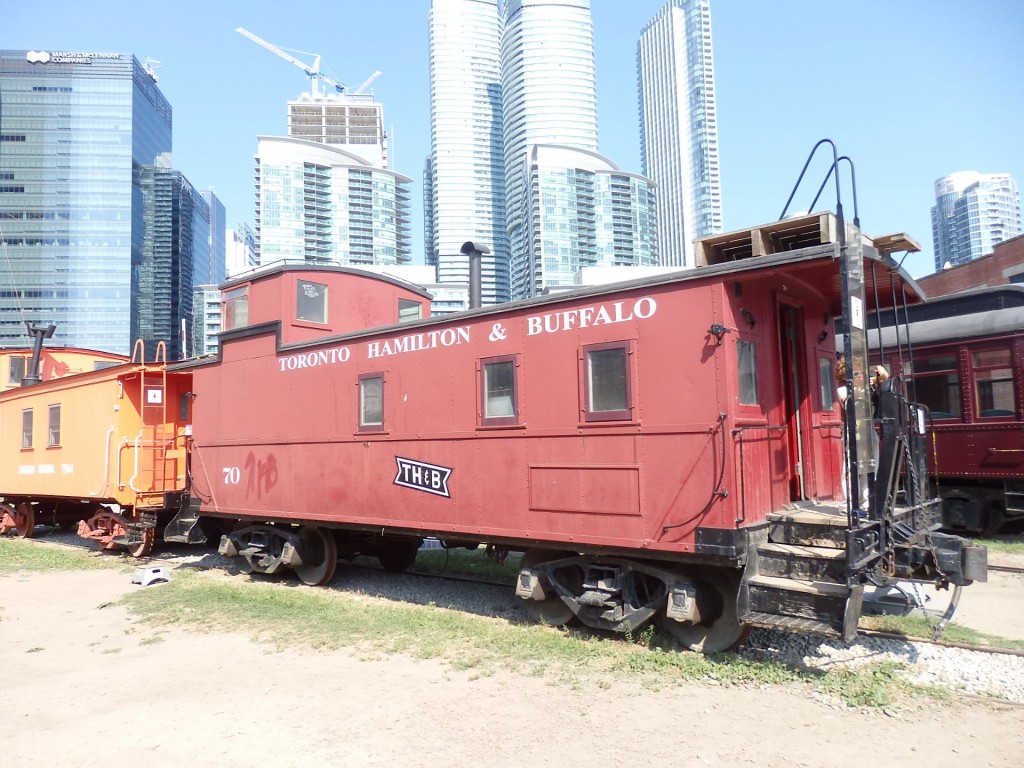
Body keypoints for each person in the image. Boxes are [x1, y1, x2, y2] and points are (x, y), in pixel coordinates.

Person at [835, 357, 889, 510]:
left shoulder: (867, 386)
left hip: (868, 430)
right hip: (853, 430)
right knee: (851, 467)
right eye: (855, 373)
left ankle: (867, 502)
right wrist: (867, 385)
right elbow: (850, 403)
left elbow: (885, 376)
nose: (859, 375)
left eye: (860, 372)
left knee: (870, 466)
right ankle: (850, 503)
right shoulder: (844, 389)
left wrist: (879, 371)